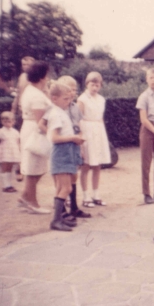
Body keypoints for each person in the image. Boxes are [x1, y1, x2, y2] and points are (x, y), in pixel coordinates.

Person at [47, 83, 85, 231]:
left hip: (68, 150)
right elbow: (54, 138)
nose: (68, 101)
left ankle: (59, 218)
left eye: (69, 98)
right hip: (61, 153)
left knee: (61, 188)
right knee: (66, 187)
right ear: (54, 98)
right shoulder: (55, 114)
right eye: (65, 99)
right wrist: (73, 138)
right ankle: (55, 220)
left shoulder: (62, 111)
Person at [18, 61, 52, 212]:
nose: (48, 78)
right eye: (47, 75)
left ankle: (25, 197)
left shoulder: (32, 91)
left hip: (31, 129)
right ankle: (33, 203)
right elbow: (40, 121)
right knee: (33, 169)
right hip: (35, 131)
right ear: (41, 77)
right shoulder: (36, 95)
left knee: (38, 167)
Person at [56, 75, 91, 221]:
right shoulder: (57, 108)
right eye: (70, 89)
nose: (72, 92)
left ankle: (74, 207)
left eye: (75, 89)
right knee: (62, 179)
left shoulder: (75, 107)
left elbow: (79, 126)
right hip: (63, 146)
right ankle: (62, 210)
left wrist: (81, 143)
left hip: (75, 145)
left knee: (74, 175)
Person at [78, 72, 111, 207]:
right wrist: (80, 138)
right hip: (86, 130)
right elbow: (78, 119)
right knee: (86, 165)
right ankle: (86, 197)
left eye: (97, 85)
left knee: (97, 165)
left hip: (98, 130)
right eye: (92, 84)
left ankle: (96, 195)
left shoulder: (102, 99)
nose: (95, 88)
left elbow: (100, 117)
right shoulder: (82, 99)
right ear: (87, 84)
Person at [136, 68, 154, 204]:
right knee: (146, 163)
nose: (153, 80)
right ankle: (146, 193)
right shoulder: (144, 96)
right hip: (148, 130)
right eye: (151, 78)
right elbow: (144, 119)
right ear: (147, 79)